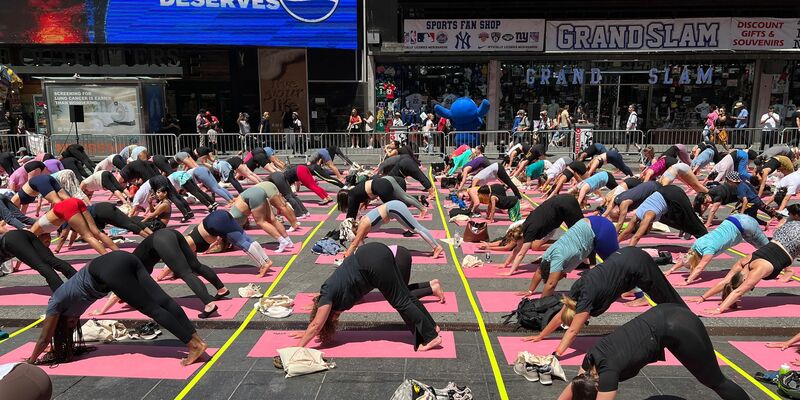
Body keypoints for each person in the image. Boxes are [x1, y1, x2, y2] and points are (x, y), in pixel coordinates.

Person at [27, 251, 208, 366]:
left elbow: (44, 338)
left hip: (110, 269)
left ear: (58, 321)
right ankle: (198, 342)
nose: (75, 321)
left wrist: (31, 361)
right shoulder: (66, 305)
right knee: (164, 301)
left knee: (153, 309)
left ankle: (193, 345)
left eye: (70, 323)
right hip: (122, 258)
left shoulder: (55, 304)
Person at [557, 303, 748, 400]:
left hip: (677, 326)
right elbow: (573, 389)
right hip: (664, 314)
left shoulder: (607, 376)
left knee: (715, 380)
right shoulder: (589, 361)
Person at [291, 243, 444, 352]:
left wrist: (297, 348)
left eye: (332, 319)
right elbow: (318, 323)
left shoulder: (327, 297)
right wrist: (307, 334)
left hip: (372, 262)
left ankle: (430, 337)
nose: (336, 319)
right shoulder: (331, 294)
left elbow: (317, 324)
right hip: (374, 252)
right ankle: (432, 327)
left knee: (400, 301)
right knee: (405, 295)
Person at [527, 247, 686, 350]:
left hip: (638, 264)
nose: (585, 320)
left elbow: (573, 330)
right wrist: (541, 336)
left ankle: (687, 321)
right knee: (659, 296)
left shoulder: (585, 301)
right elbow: (559, 317)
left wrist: (556, 354)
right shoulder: (575, 291)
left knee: (666, 298)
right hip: (623, 254)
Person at [89, 229, 229, 318]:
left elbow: (116, 294)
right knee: (195, 266)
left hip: (161, 239)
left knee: (185, 273)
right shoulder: (133, 268)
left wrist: (102, 311)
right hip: (172, 233)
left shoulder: (124, 274)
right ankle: (222, 289)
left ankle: (209, 304)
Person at [696, 221, 800, 315]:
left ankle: (790, 271)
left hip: (795, 239)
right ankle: (789, 271)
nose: (749, 288)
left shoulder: (758, 269)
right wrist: (703, 297)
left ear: (744, 280)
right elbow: (725, 282)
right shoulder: (743, 262)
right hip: (785, 231)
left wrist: (719, 310)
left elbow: (738, 291)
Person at [511, 216, 619, 296]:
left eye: (559, 277)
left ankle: (635, 291)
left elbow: (551, 284)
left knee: (617, 264)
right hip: (591, 223)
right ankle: (623, 287)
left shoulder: (558, 260)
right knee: (612, 266)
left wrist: (540, 305)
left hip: (602, 230)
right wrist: (530, 291)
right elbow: (539, 271)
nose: (564, 277)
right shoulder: (548, 255)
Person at [664, 214, 770, 285]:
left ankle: (783, 266)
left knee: (768, 249)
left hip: (745, 225)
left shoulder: (708, 251)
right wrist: (670, 270)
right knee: (764, 247)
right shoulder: (698, 243)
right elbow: (685, 259)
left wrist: (687, 281)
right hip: (734, 218)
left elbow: (699, 268)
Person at [501, 195, 584, 274]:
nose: (517, 245)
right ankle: (585, 260)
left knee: (580, 233)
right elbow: (517, 250)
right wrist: (506, 264)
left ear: (521, 237)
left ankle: (590, 264)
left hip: (565, 204)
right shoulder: (523, 227)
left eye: (517, 242)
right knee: (579, 233)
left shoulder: (530, 232)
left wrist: (510, 272)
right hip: (559, 201)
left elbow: (521, 254)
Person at [186, 210, 273, 277]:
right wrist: (207, 250)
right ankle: (267, 261)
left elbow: (188, 257)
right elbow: (217, 241)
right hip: (219, 215)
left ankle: (263, 265)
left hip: (216, 222)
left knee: (242, 243)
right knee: (247, 239)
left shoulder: (187, 244)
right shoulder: (192, 240)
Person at [345, 200, 443, 258]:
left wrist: (346, 257)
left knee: (416, 228)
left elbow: (355, 243)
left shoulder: (363, 224)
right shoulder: (361, 225)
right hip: (393, 209)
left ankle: (437, 247)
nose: (360, 237)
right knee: (414, 228)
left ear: (356, 231)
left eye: (356, 235)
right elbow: (359, 244)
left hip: (395, 208)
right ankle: (435, 247)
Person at [618, 184, 707, 246]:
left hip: (674, 194)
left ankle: (707, 239)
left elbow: (636, 237)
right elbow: (625, 232)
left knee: (691, 218)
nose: (650, 229)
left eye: (648, 230)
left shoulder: (648, 217)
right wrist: (614, 244)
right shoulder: (636, 216)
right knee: (673, 219)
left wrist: (628, 253)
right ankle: (686, 228)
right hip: (665, 191)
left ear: (642, 225)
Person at [0, 222, 77, 291]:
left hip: (12, 239)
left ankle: (61, 292)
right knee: (51, 260)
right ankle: (80, 281)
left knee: (40, 265)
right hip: (23, 234)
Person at [31, 197, 118, 254]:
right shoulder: (45, 227)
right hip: (73, 201)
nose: (49, 242)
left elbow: (25, 246)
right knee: (97, 232)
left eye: (46, 242)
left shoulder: (35, 229)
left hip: (67, 207)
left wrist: (17, 266)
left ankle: (107, 256)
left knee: (88, 236)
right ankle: (119, 253)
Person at [229, 182, 295, 253]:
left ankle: (283, 241)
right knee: (272, 219)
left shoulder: (232, 221)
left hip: (253, 195)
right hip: (259, 191)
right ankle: (288, 241)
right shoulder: (234, 217)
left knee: (260, 222)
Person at [338, 176, 427, 219]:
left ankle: (408, 219)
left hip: (381, 186)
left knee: (396, 206)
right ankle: (422, 209)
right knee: (404, 197)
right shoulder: (354, 191)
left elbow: (350, 216)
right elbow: (365, 195)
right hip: (387, 179)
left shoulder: (352, 197)